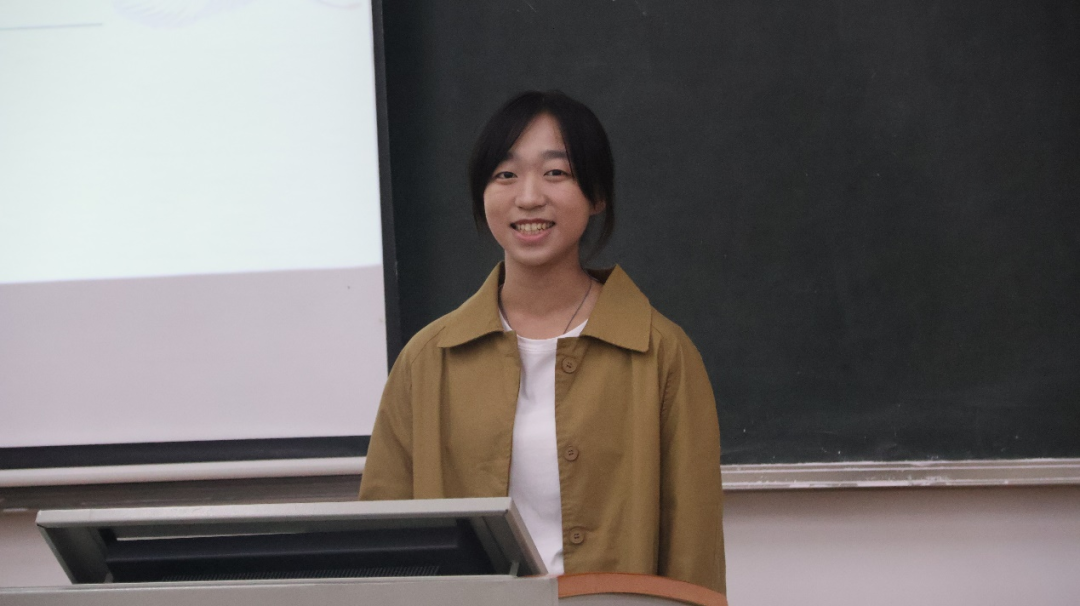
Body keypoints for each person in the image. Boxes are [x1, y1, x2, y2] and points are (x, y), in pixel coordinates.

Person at [359, 90, 725, 593]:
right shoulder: (427, 360)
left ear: (597, 195)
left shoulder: (661, 352)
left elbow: (693, 551)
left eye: (556, 172)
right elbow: (385, 546)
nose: (528, 197)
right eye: (505, 175)